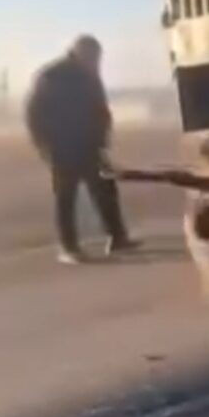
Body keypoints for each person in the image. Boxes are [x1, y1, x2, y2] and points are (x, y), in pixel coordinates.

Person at [25, 36, 139, 264]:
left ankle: (118, 238)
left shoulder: (90, 75)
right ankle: (68, 248)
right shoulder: (52, 76)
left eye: (97, 58)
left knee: (106, 190)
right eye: (93, 57)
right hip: (62, 148)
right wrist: (44, 146)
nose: (96, 62)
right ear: (79, 53)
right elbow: (33, 114)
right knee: (66, 198)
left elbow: (101, 109)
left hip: (89, 146)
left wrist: (103, 139)